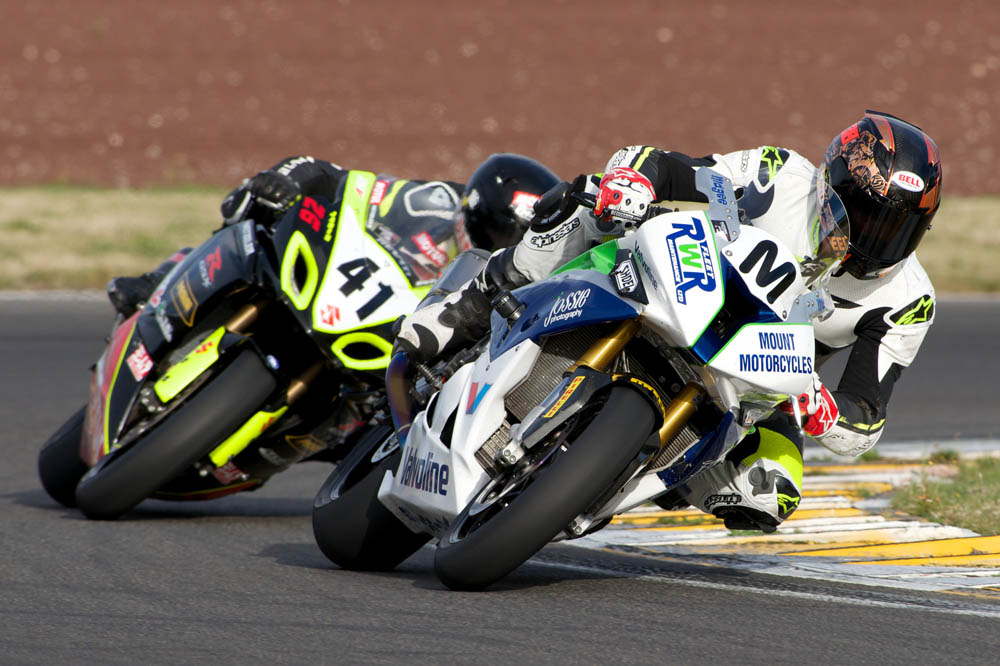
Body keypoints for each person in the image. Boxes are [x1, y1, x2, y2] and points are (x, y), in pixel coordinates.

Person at [395, 110, 943, 533]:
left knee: (771, 491)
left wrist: (823, 409)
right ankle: (472, 302)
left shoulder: (908, 298)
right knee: (584, 201)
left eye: (898, 227)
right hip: (684, 284)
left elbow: (864, 416)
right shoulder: (783, 176)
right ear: (833, 184)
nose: (876, 241)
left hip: (751, 381)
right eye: (867, 215)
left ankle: (627, 473)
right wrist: (636, 181)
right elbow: (684, 169)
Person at [106, 153, 561, 317]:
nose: (496, 241)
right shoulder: (433, 201)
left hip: (387, 351)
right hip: (340, 288)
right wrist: (286, 182)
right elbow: (338, 180)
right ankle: (158, 282)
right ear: (472, 207)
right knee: (256, 221)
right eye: (495, 229)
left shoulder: (509, 282)